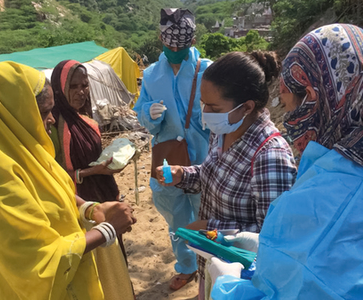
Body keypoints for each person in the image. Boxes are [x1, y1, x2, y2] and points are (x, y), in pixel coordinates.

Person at [209, 23, 363, 300]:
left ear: (316, 100)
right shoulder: (332, 170)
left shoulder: (329, 196)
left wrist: (226, 285)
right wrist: (270, 248)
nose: (289, 122)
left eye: (290, 106)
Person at [0, 61, 136, 300]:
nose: (52, 119)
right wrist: (108, 230)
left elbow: (54, 191)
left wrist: (89, 209)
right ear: (15, 112)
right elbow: (38, 264)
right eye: (44, 112)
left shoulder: (25, 149)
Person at [156, 51, 298, 298]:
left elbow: (270, 238)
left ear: (247, 107)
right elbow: (211, 174)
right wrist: (183, 175)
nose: (205, 112)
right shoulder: (222, 129)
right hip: (211, 263)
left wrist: (211, 228)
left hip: (240, 279)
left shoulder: (270, 156)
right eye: (203, 103)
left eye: (213, 107)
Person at [133, 8, 211, 290]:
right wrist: (148, 114)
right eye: (170, 45)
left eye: (181, 45)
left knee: (205, 215)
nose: (175, 50)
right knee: (175, 215)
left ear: (192, 41)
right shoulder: (152, 75)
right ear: (161, 39)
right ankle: (187, 266)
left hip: (203, 156)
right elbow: (139, 109)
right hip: (166, 157)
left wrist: (208, 116)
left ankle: (208, 266)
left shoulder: (208, 70)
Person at [50, 60, 131, 264]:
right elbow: (49, 175)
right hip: (76, 203)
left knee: (112, 255)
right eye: (73, 86)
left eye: (84, 85)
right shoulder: (52, 126)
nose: (81, 92)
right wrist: (91, 173)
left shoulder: (87, 120)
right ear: (60, 89)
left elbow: (95, 159)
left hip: (101, 196)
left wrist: (111, 165)